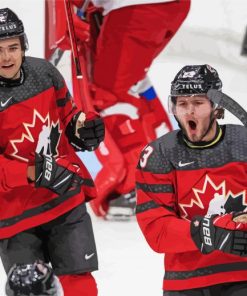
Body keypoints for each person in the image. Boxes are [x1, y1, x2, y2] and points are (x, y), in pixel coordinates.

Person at [47, 0, 190, 219]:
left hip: (135, 8)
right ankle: (158, 177)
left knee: (111, 93)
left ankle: (133, 188)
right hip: (164, 7)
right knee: (127, 83)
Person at [0, 7, 105, 296]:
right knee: (29, 290)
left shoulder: (44, 72)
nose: (7, 57)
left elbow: (68, 116)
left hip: (64, 200)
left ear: (23, 46)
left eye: (13, 47)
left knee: (80, 286)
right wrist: (33, 172)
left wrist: (83, 129)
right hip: (15, 216)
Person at [135, 64, 247, 295]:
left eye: (197, 103)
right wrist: (212, 232)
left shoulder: (242, 143)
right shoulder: (159, 154)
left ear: (216, 108)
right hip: (187, 280)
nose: (189, 112)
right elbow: (157, 230)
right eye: (182, 104)